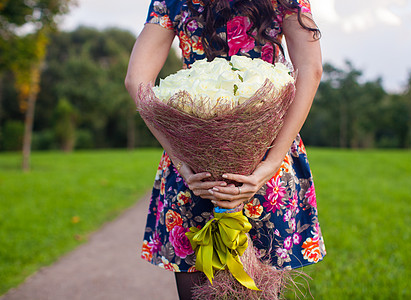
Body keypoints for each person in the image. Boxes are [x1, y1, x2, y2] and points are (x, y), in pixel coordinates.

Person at [125, 0, 326, 299]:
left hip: (196, 168)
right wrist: (270, 164)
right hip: (267, 160)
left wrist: (181, 160)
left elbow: (136, 82)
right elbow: (311, 69)